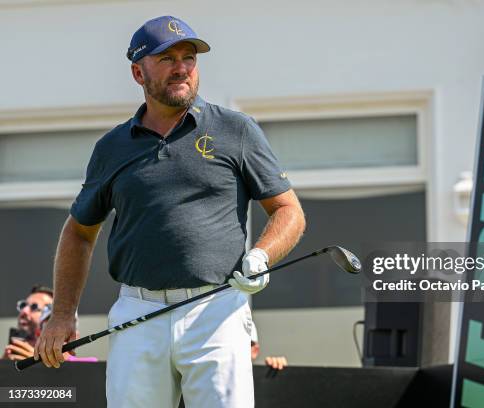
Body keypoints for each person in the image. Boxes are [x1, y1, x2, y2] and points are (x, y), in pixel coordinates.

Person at [34, 15, 305, 408]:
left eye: (189, 57)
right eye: (166, 58)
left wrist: (262, 255)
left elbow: (288, 211)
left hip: (218, 310)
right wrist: (62, 314)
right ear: (137, 72)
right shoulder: (111, 148)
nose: (181, 67)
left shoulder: (236, 129)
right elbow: (78, 232)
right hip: (137, 312)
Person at [2, 285, 53, 361]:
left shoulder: (71, 363)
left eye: (34, 307)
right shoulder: (7, 357)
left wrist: (39, 364)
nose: (24, 311)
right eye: (23, 305)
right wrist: (4, 367)